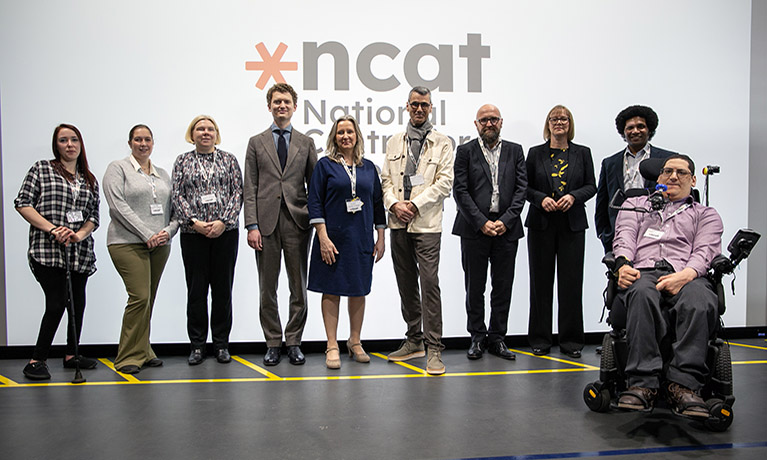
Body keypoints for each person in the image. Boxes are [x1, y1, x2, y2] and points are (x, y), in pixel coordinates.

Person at [613, 154, 722, 417]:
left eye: (681, 173)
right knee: (640, 293)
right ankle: (642, 384)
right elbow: (625, 236)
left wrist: (685, 275)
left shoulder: (705, 214)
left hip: (686, 273)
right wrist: (623, 264)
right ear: (659, 177)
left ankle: (683, 385)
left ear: (693, 180)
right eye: (667, 171)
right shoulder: (635, 205)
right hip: (644, 271)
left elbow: (705, 250)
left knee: (699, 301)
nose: (673, 176)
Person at [14, 124, 100, 380]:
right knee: (56, 303)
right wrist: (53, 229)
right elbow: (23, 203)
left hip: (79, 251)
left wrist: (79, 234)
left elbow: (93, 216)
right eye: (64, 140)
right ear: (56, 145)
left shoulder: (88, 179)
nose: (70, 144)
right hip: (47, 251)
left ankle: (72, 354)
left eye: (74, 140)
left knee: (78, 303)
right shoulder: (42, 169)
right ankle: (36, 360)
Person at [243, 82, 318, 366]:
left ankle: (294, 341)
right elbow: (250, 187)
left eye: (286, 102)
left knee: (298, 286)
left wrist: (312, 217)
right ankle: (273, 342)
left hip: (298, 223)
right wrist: (251, 225)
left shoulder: (306, 142)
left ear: (295, 107)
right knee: (267, 288)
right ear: (269, 106)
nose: (282, 106)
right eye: (277, 102)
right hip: (265, 224)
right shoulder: (256, 142)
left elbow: (316, 186)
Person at [381, 86, 454, 375]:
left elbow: (444, 183)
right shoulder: (394, 141)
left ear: (431, 108)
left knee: (429, 284)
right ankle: (414, 341)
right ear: (407, 107)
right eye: (415, 104)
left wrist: (414, 204)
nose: (419, 109)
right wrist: (394, 205)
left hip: (426, 224)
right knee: (406, 283)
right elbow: (385, 180)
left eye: (424, 105)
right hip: (398, 221)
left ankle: (434, 348)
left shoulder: (442, 142)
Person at [307, 116, 386, 369]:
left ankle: (354, 341)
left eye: (349, 131)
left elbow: (377, 204)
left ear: (357, 135)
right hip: (332, 239)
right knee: (331, 290)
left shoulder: (369, 167)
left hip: (361, 237)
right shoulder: (325, 165)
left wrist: (381, 237)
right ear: (334, 137)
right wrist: (322, 237)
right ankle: (332, 345)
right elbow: (315, 202)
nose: (345, 136)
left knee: (358, 289)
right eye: (340, 132)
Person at [452, 104, 527, 361]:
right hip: (474, 229)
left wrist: (505, 221)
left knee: (503, 286)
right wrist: (482, 222)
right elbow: (460, 191)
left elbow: (521, 191)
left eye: (493, 119)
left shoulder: (515, 151)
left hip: (507, 229)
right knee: (475, 287)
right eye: (484, 120)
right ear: (476, 124)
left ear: (501, 122)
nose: (489, 124)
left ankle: (497, 338)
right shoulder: (465, 151)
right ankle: (476, 337)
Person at [102, 125, 179, 374]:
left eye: (147, 139)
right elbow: (117, 205)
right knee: (139, 297)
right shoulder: (118, 168)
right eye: (138, 139)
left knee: (149, 299)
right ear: (130, 142)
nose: (142, 144)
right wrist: (146, 234)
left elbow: (174, 211)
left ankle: (144, 351)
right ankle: (126, 357)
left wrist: (167, 232)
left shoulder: (163, 174)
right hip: (126, 243)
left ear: (153, 143)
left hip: (159, 245)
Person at [525, 105, 596, 358]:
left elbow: (591, 186)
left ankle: (571, 342)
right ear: (548, 124)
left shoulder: (583, 153)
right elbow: (524, 187)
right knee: (540, 284)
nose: (559, 122)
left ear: (570, 123)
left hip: (572, 224)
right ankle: (540, 340)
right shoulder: (534, 154)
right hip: (541, 223)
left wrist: (574, 197)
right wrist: (540, 198)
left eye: (564, 119)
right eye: (554, 119)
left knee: (571, 285)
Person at [171, 115, 243, 365]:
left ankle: (221, 344)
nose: (205, 132)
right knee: (197, 291)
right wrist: (194, 222)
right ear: (192, 134)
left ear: (216, 133)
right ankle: (198, 345)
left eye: (210, 129)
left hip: (226, 233)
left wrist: (223, 221)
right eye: (200, 129)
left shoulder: (229, 160)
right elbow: (176, 195)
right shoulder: (182, 161)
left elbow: (237, 193)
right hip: (194, 235)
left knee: (223, 290)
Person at [595, 105, 675, 253]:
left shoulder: (667, 159)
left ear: (649, 129)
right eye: (630, 128)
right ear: (623, 132)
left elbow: (676, 195)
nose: (635, 131)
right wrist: (604, 234)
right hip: (620, 231)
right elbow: (602, 201)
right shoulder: (610, 163)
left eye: (641, 126)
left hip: (657, 230)